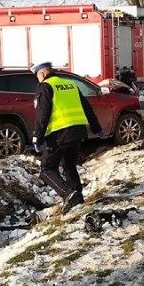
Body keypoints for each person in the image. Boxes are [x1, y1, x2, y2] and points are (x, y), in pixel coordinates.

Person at [31, 61, 102, 213]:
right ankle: (78, 198)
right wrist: (96, 128)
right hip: (77, 132)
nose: (37, 80)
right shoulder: (70, 84)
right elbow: (86, 107)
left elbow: (42, 114)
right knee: (69, 166)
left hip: (58, 134)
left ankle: (68, 194)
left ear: (43, 73)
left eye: (37, 76)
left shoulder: (45, 86)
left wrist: (38, 136)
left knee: (46, 169)